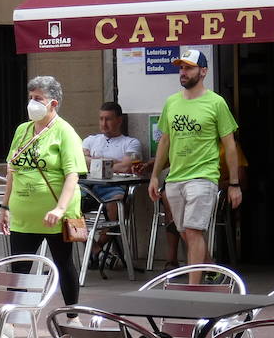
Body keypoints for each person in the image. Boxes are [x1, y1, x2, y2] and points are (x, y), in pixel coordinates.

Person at [147, 49, 242, 282]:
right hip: (176, 177)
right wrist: (155, 176)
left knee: (193, 230)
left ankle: (193, 289)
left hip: (203, 175)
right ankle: (210, 266)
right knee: (183, 231)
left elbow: (230, 145)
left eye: (189, 67)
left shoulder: (216, 102)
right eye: (181, 67)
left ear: (203, 71)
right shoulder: (172, 102)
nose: (183, 72)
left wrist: (234, 183)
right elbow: (165, 141)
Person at [0, 75, 86, 305]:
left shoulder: (64, 132)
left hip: (55, 217)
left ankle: (72, 314)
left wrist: (60, 208)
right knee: (19, 267)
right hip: (23, 215)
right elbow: (12, 171)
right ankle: (11, 320)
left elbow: (72, 175)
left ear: (53, 103)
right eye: (30, 98)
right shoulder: (22, 131)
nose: (32, 104)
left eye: (38, 99)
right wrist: (4, 207)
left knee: (63, 263)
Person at [81, 101, 145, 263]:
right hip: (88, 187)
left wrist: (95, 161)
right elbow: (80, 161)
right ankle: (95, 249)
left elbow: (126, 166)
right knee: (68, 209)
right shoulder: (91, 140)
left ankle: (99, 246)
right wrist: (112, 162)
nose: (104, 123)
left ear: (119, 120)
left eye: (108, 119)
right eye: (101, 119)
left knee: (115, 205)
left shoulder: (130, 143)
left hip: (114, 188)